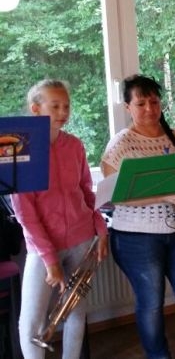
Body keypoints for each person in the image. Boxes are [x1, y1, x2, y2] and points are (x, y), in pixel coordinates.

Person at [100, 75, 175, 359]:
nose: (149, 108)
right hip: (135, 238)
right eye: (141, 103)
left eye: (154, 102)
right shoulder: (120, 145)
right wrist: (164, 196)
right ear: (127, 107)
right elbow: (113, 196)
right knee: (151, 304)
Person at [11, 79, 109, 359]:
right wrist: (49, 259)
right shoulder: (22, 150)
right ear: (36, 109)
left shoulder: (75, 145)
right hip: (43, 248)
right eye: (55, 106)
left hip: (82, 238)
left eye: (66, 106)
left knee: (76, 311)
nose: (63, 112)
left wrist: (101, 230)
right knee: (31, 322)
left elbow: (87, 193)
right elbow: (25, 214)